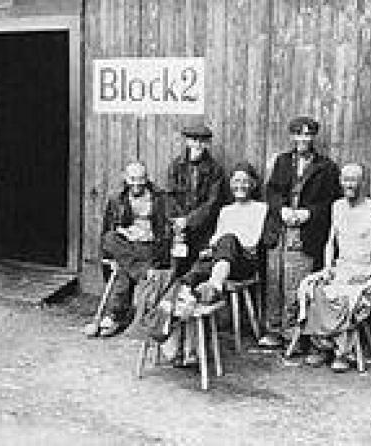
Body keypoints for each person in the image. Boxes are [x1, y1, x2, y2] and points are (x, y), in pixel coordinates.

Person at [150, 162, 281, 365]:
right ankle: (179, 343)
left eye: (246, 181)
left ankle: (213, 287)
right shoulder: (225, 211)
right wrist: (211, 249)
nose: (241, 185)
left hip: (244, 262)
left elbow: (251, 241)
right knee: (189, 276)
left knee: (227, 240)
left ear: (254, 185)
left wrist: (223, 244)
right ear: (230, 184)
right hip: (221, 260)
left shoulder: (260, 208)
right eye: (236, 181)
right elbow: (215, 240)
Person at [291, 164, 371, 372]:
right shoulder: (337, 206)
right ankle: (322, 347)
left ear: (363, 183)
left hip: (362, 271)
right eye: (345, 179)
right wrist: (328, 267)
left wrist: (368, 272)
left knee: (348, 297)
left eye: (354, 180)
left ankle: (342, 352)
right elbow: (330, 242)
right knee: (315, 288)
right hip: (340, 268)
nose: (349, 184)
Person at [261, 116, 342, 348]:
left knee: (296, 283)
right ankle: (273, 330)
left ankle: (293, 335)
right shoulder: (282, 161)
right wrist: (281, 209)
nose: (303, 139)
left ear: (313, 137)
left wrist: (310, 213)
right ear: (292, 136)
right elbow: (272, 191)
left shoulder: (326, 167)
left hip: (305, 233)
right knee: (275, 280)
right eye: (299, 134)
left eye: (308, 135)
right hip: (279, 229)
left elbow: (330, 202)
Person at [94, 162, 172, 337]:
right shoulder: (117, 199)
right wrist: (123, 233)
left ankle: (115, 315)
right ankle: (140, 273)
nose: (137, 183)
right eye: (133, 179)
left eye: (141, 179)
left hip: (149, 246)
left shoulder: (159, 198)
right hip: (127, 246)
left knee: (123, 268)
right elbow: (107, 229)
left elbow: (167, 229)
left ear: (147, 178)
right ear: (126, 178)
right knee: (109, 238)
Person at [167, 125, 225, 275]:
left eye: (202, 141)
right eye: (194, 140)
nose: (198, 144)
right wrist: (179, 221)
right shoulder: (176, 166)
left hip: (204, 229)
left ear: (207, 144)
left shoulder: (215, 169)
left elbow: (213, 202)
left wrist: (190, 220)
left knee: (200, 268)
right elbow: (170, 195)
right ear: (187, 142)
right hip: (179, 229)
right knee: (176, 268)